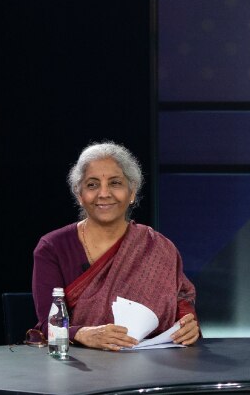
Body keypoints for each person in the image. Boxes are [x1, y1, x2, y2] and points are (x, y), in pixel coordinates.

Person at [32, 142, 199, 350]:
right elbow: (49, 325)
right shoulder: (52, 248)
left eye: (115, 183)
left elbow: (181, 301)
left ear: (132, 192)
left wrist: (188, 324)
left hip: (153, 365)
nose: (104, 193)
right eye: (92, 185)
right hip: (79, 366)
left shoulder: (158, 247)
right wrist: (82, 334)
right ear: (79, 194)